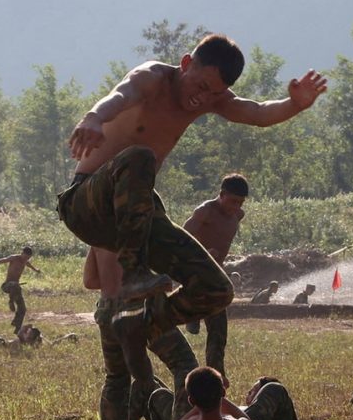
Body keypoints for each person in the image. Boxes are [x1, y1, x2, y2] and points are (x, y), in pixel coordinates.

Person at [56, 33, 326, 378]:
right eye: (199, 84)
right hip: (87, 202)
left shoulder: (211, 99)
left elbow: (256, 112)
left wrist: (295, 105)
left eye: (213, 93)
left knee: (216, 290)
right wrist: (94, 117)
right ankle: (134, 275)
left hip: (134, 213)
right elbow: (120, 95)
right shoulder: (153, 78)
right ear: (185, 64)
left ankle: (139, 325)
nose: (202, 97)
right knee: (140, 157)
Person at [85, 246, 200, 420]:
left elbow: (90, 281)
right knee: (183, 363)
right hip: (141, 309)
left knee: (116, 377)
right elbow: (168, 275)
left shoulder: (98, 237)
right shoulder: (141, 230)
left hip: (108, 310)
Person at [182, 174, 249, 374]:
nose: (235, 206)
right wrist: (202, 254)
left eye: (240, 202)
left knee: (219, 331)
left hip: (215, 278)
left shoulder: (238, 215)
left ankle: (215, 376)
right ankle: (192, 312)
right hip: (196, 274)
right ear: (221, 194)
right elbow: (179, 241)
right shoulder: (204, 212)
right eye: (232, 201)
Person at [147, 368, 307, 420]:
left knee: (158, 393)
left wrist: (198, 404)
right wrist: (221, 400)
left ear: (191, 400)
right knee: (274, 388)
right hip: (226, 419)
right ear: (223, 393)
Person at [0, 246, 41, 335]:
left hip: (16, 289)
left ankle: (17, 327)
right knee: (14, 284)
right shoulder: (14, 258)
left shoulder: (25, 261)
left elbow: (29, 265)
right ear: (22, 253)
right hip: (7, 286)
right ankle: (10, 301)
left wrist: (36, 270)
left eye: (28, 258)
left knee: (22, 309)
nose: (26, 259)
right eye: (25, 257)